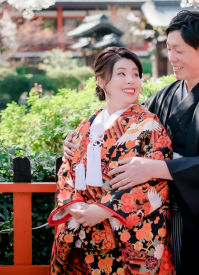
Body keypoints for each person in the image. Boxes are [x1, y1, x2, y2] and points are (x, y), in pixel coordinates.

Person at [63, 11, 199, 275]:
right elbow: (127, 134)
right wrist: (78, 144)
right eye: (169, 49)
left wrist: (152, 168)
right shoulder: (165, 97)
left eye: (178, 50)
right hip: (162, 222)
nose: (171, 58)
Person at [49, 47, 175, 275]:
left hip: (128, 234)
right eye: (122, 73)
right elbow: (67, 173)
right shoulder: (86, 125)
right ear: (101, 81)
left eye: (136, 74)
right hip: (83, 229)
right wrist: (76, 206)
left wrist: (105, 209)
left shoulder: (148, 125)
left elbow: (155, 180)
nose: (131, 80)